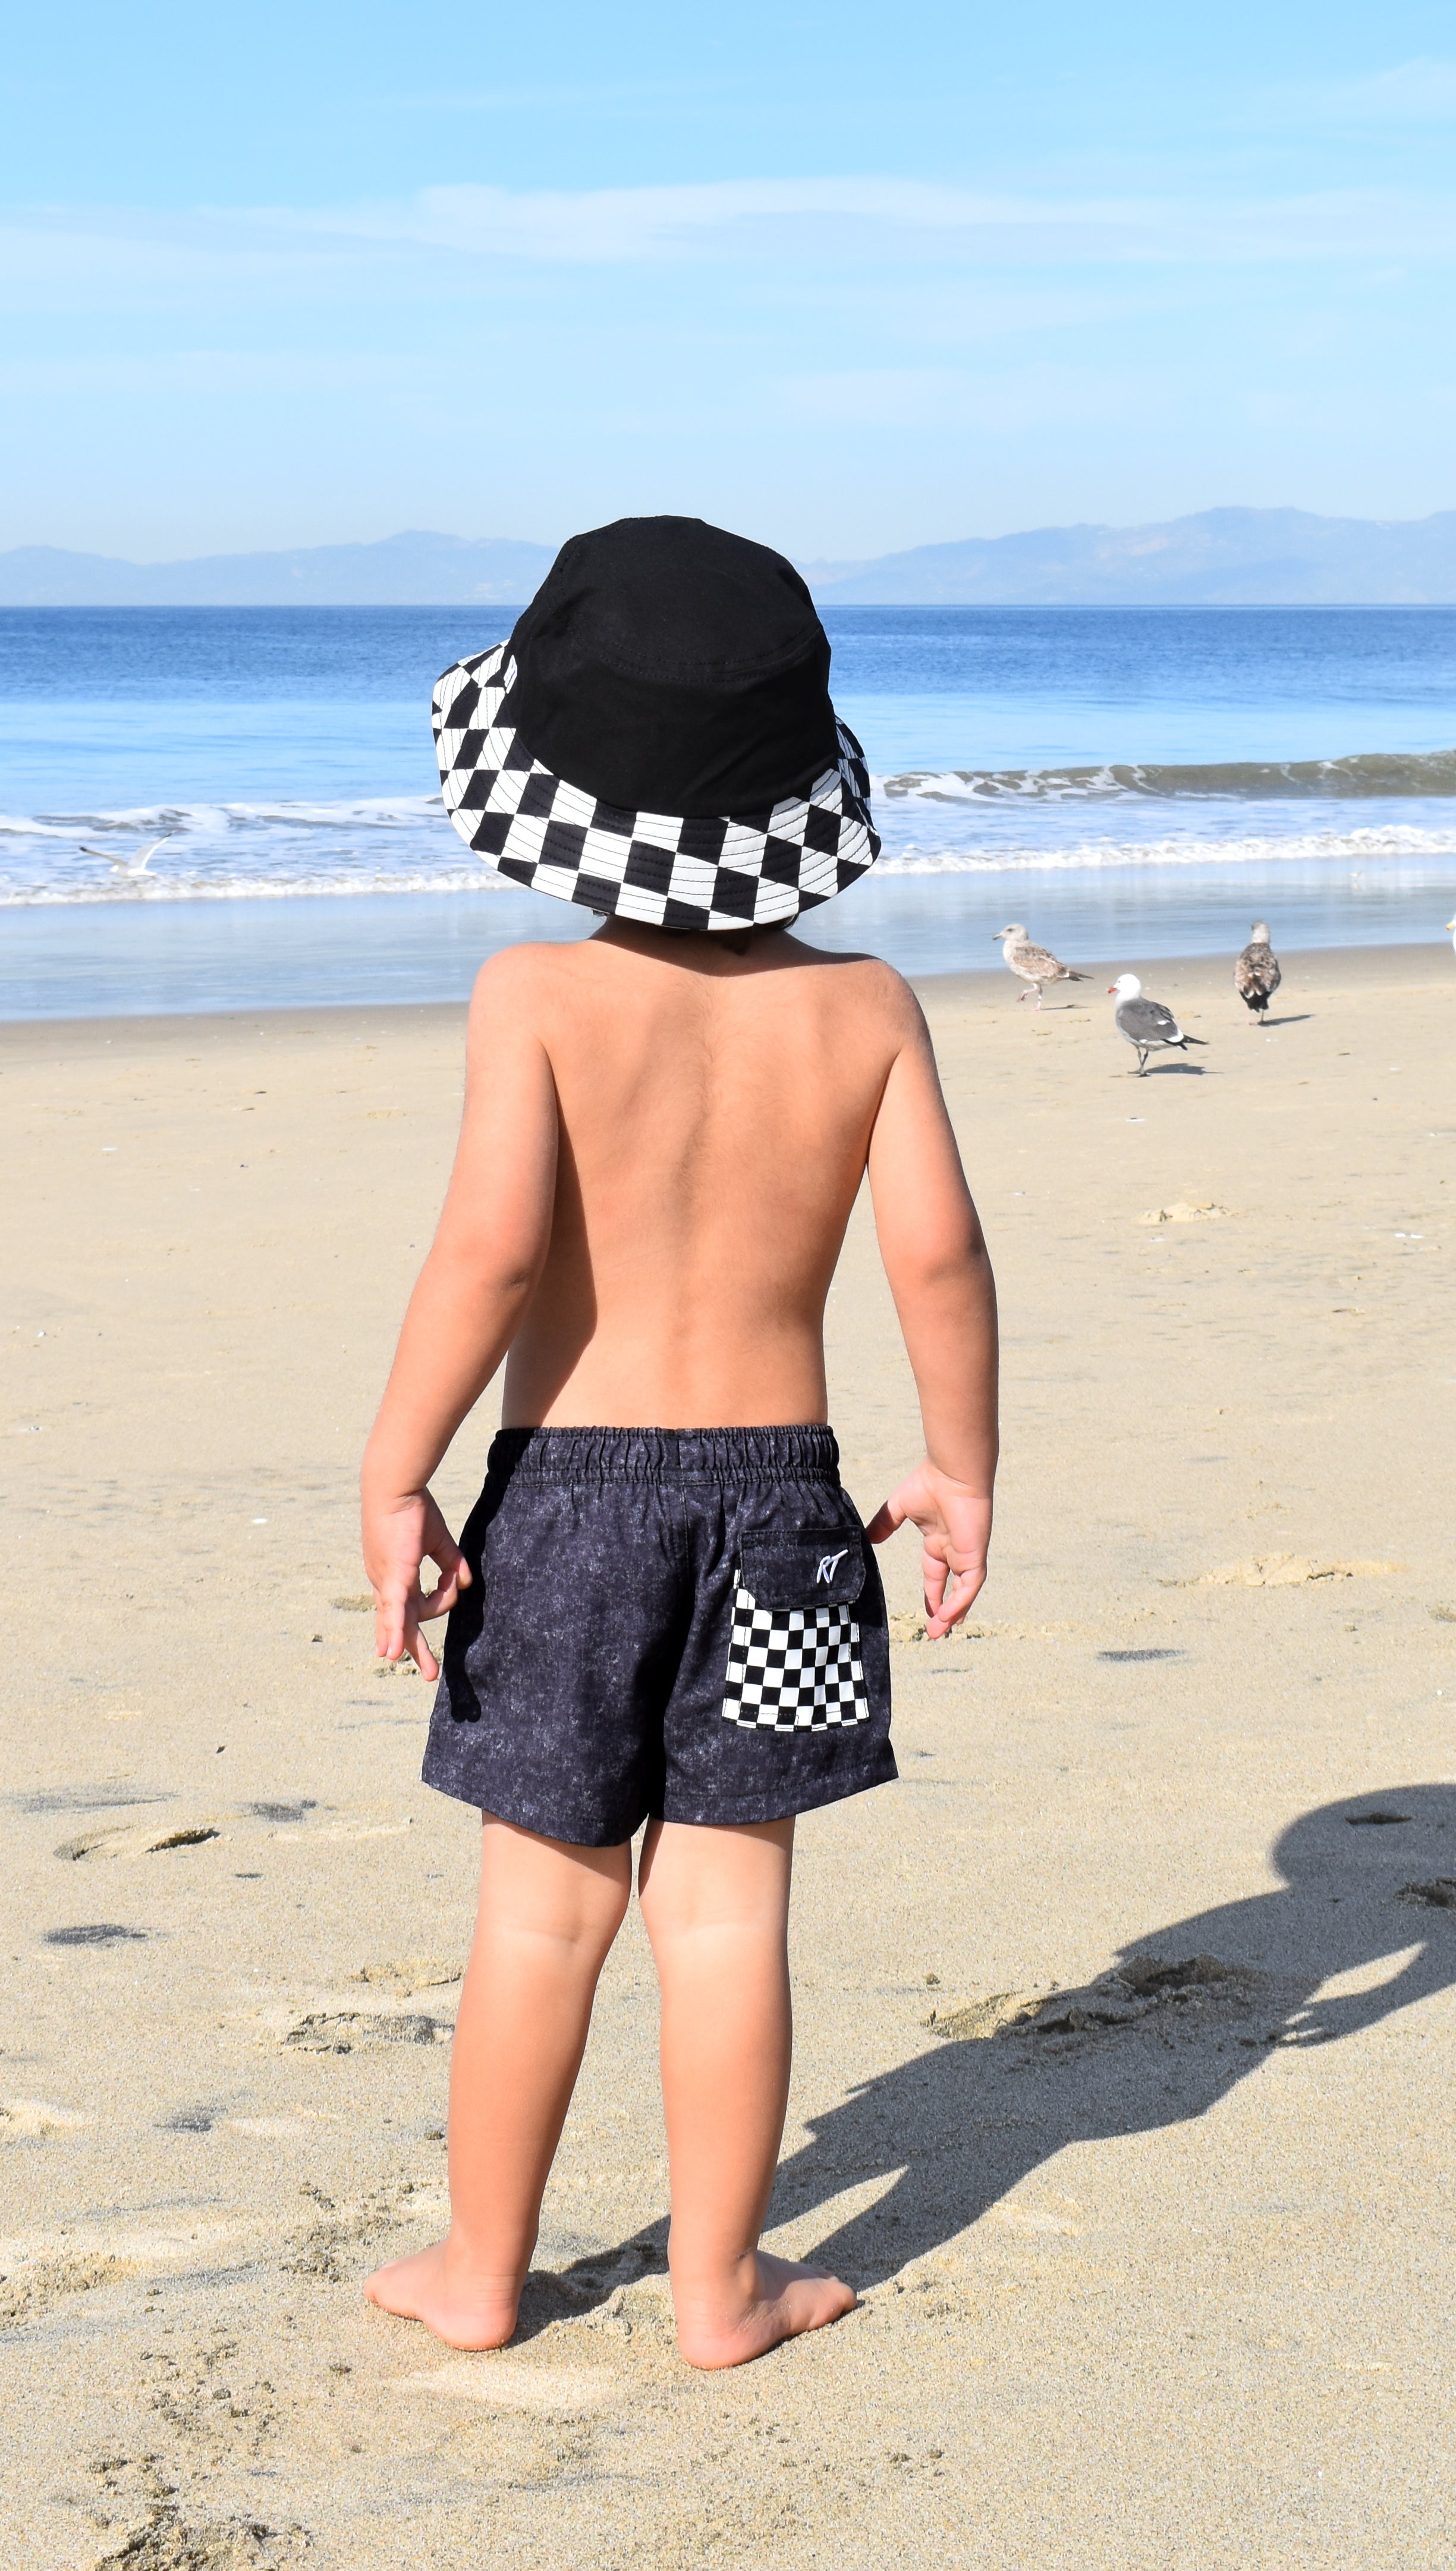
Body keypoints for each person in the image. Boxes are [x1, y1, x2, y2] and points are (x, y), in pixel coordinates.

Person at [360, 517, 999, 2371]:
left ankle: (485, 2269)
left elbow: (487, 1254)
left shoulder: (537, 997)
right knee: (728, 1912)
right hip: (789, 1513)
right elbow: (939, 1250)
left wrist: (400, 1467)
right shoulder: (864, 1008)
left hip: (567, 1505)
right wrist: (958, 1466)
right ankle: (721, 2289)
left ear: (552, 790)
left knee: (544, 1909)